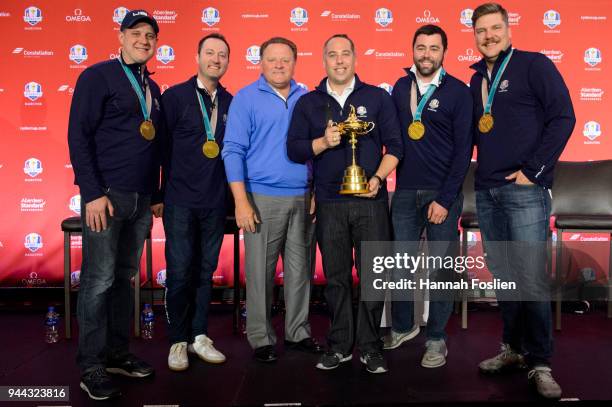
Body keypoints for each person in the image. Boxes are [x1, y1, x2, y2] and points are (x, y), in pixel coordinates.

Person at [469, 3, 575, 399]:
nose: (489, 35)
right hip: (488, 192)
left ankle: (541, 363)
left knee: (529, 280)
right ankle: (512, 350)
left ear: (508, 30)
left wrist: (534, 170)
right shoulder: (476, 79)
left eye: (495, 28)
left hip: (525, 191)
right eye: (481, 30)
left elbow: (564, 117)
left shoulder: (535, 65)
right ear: (475, 35)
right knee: (507, 279)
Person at [287, 34, 403, 374]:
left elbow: (396, 146)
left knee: (373, 276)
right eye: (332, 55)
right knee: (336, 277)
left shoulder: (378, 98)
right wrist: (322, 142)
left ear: (355, 58)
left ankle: (370, 345)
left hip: (371, 201)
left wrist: (378, 179)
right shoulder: (309, 102)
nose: (339, 60)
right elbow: (293, 149)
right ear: (323, 60)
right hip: (329, 202)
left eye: (345, 54)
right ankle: (340, 344)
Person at [68, 10, 162, 401]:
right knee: (98, 280)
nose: (144, 40)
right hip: (106, 197)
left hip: (140, 200)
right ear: (121, 36)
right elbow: (79, 135)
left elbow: (154, 144)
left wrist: (156, 194)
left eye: (150, 36)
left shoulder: (152, 89)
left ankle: (116, 353)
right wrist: (91, 193)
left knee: (124, 278)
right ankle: (91, 364)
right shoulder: (97, 76)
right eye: (137, 33)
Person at [221, 37, 322, 363]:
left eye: (285, 60)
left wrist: (316, 189)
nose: (279, 65)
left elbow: (317, 150)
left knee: (300, 270)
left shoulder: (307, 97)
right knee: (260, 272)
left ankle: (298, 332)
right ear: (260, 63)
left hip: (302, 197)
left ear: (295, 62)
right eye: (272, 60)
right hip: (260, 197)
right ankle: (261, 338)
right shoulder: (246, 99)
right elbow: (232, 150)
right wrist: (241, 202)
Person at [383, 25, 473, 368]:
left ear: (444, 52)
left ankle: (436, 338)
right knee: (402, 267)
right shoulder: (400, 87)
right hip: (404, 193)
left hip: (442, 195)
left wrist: (446, 199)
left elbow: (464, 151)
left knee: (440, 271)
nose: (426, 54)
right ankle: (404, 327)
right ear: (412, 49)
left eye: (434, 48)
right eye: (421, 47)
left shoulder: (458, 93)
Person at [160, 33, 232, 372]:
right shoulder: (174, 98)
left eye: (221, 55)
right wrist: (157, 195)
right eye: (209, 53)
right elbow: (159, 151)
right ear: (197, 56)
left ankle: (199, 335)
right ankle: (177, 340)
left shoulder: (232, 102)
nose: (215, 59)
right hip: (179, 201)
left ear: (227, 61)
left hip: (215, 202)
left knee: (205, 272)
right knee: (179, 272)